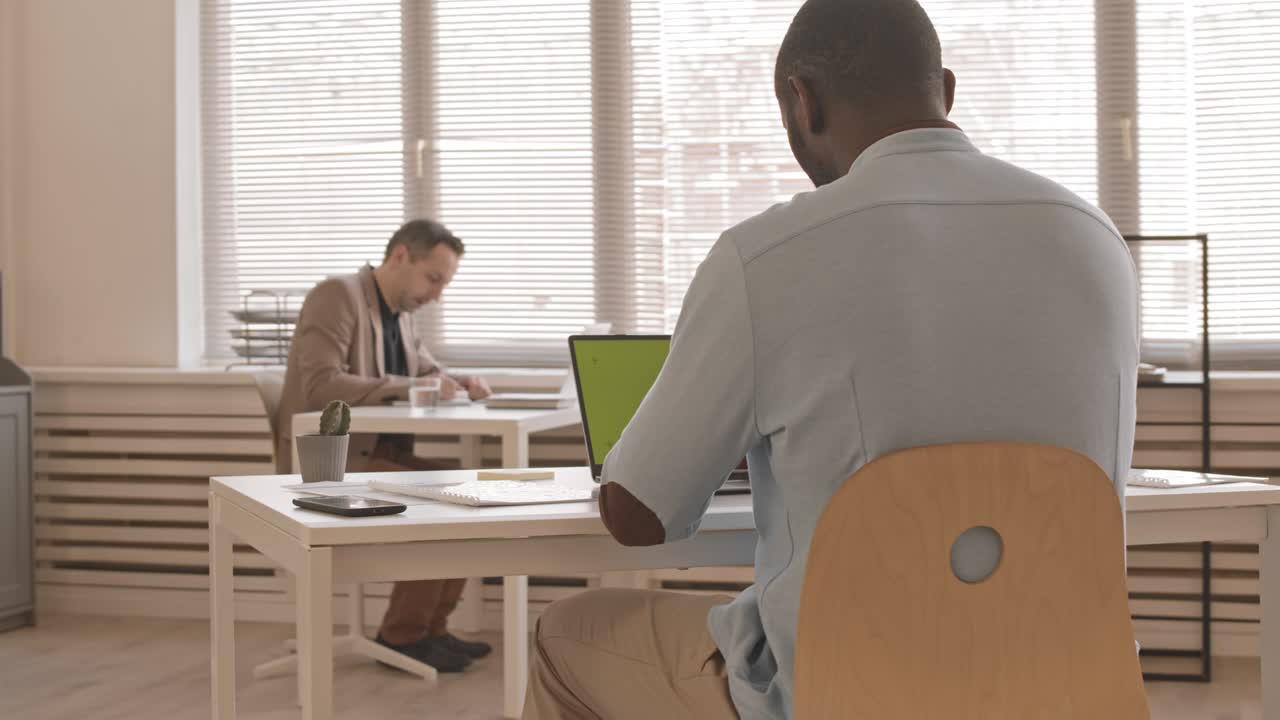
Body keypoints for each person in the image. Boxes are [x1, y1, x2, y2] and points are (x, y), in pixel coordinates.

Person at [522, 0, 1139, 718]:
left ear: (800, 101)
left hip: (842, 695)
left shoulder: (767, 256)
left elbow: (636, 516)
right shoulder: (1096, 240)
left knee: (567, 635)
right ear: (945, 88)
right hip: (1063, 688)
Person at [276, 218, 495, 673]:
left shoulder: (401, 314)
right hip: (334, 461)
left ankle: (431, 629)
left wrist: (462, 381)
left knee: (468, 494)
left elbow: (427, 371)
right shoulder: (337, 296)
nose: (437, 294)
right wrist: (407, 384)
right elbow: (321, 384)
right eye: (433, 278)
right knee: (444, 501)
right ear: (400, 257)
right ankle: (402, 636)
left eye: (444, 283)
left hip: (380, 456)